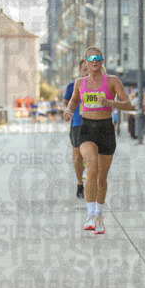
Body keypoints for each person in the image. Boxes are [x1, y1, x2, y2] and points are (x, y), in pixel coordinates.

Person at [63, 46, 133, 234]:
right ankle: (90, 214)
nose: (94, 61)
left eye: (98, 58)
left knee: (102, 177)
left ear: (102, 61)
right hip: (86, 129)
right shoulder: (80, 83)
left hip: (106, 129)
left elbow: (128, 104)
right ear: (85, 62)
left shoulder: (113, 81)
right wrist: (69, 110)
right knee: (91, 165)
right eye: (90, 58)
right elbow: (74, 100)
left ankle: (99, 216)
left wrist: (110, 103)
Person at [63, 59, 89, 198]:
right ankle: (80, 183)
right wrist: (68, 111)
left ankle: (92, 182)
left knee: (93, 155)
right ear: (80, 71)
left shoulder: (100, 85)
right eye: (85, 69)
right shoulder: (72, 85)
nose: (88, 72)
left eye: (90, 69)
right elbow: (66, 103)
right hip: (77, 124)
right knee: (78, 156)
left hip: (95, 124)